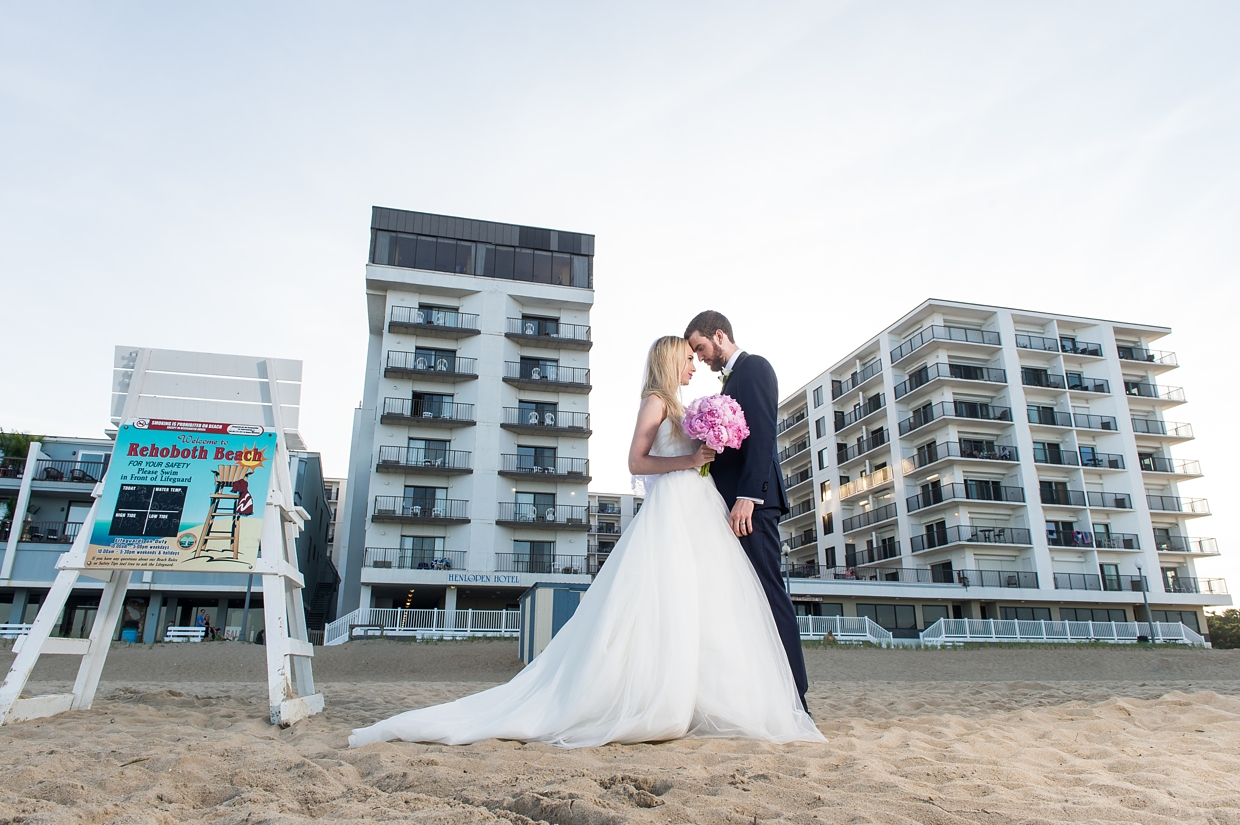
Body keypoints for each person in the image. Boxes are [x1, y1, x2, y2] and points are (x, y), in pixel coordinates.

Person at [349, 336, 823, 748]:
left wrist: (707, 454)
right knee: (665, 597)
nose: (694, 364)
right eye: (688, 357)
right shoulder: (656, 401)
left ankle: (708, 693)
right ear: (669, 359)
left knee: (704, 602)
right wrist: (688, 461)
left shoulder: (683, 406)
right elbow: (636, 464)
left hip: (699, 506)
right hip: (675, 508)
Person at [684, 310, 810, 713]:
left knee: (769, 593)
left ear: (719, 336)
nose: (700, 359)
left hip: (751, 506)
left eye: (700, 348)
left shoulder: (754, 368)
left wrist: (749, 497)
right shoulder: (730, 381)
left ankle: (796, 697)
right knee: (745, 599)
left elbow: (763, 436)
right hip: (734, 504)